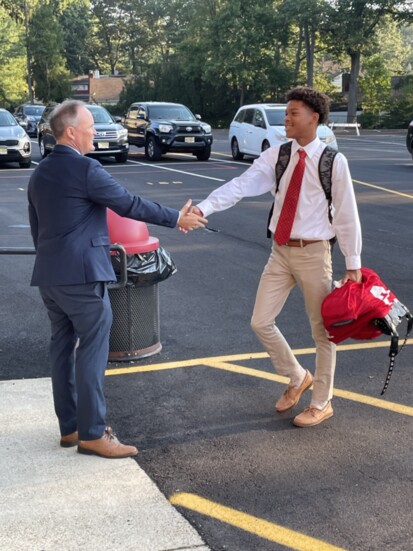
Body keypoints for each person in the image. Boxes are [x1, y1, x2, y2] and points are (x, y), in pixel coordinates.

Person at [28, 100, 207, 458]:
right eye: (91, 126)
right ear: (71, 132)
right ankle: (93, 433)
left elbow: (37, 228)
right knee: (93, 350)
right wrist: (177, 218)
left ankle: (71, 429)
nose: (96, 132)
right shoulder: (85, 169)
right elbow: (129, 203)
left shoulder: (40, 172)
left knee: (62, 350)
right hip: (82, 277)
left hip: (51, 277)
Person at [193, 87, 362, 427]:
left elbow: (346, 214)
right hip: (280, 252)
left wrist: (353, 263)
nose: (286, 118)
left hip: (315, 254)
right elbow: (241, 184)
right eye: (286, 112)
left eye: (293, 113)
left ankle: (321, 401)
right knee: (260, 321)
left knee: (322, 333)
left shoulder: (333, 161)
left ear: (314, 117)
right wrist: (204, 206)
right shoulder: (279, 156)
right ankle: (298, 376)